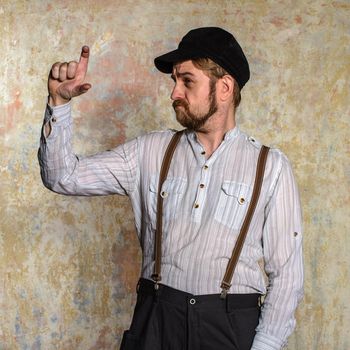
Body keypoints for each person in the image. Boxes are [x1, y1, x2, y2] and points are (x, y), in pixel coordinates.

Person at [38, 27, 303, 350]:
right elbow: (63, 176)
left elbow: (287, 277)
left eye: (187, 81)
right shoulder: (149, 152)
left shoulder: (271, 167)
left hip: (230, 328)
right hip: (156, 321)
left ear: (224, 88)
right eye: (175, 80)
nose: (174, 93)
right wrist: (59, 102)